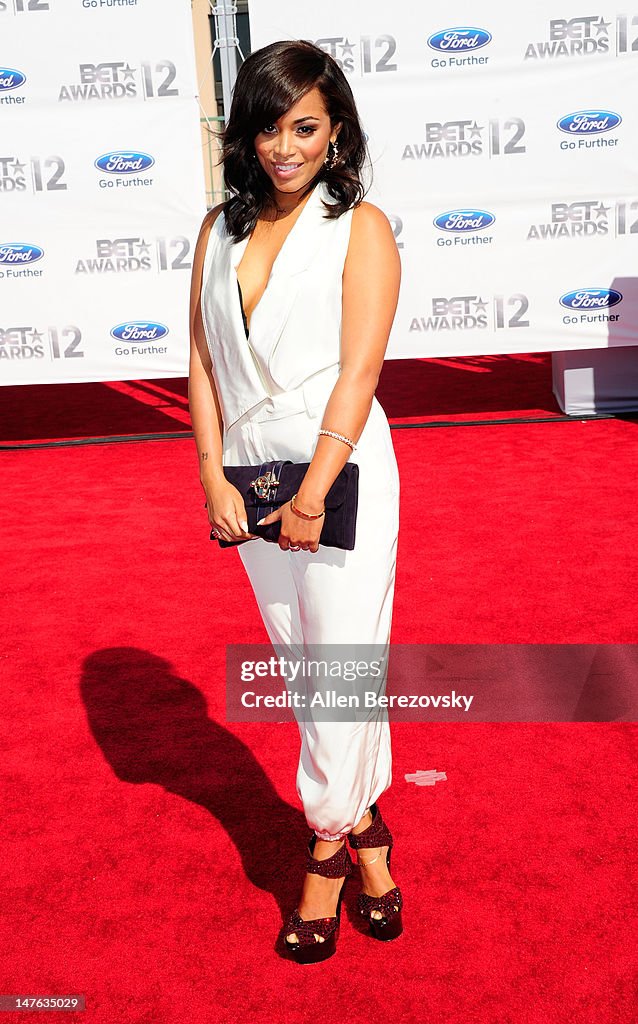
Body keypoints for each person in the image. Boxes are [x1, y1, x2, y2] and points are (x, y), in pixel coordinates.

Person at [188, 39, 403, 963]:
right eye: (269, 126)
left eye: (304, 127)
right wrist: (209, 472)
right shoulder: (217, 230)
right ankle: (376, 844)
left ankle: (323, 853)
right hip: (249, 476)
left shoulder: (363, 226)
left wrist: (315, 490)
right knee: (304, 661)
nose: (284, 146)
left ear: (337, 132)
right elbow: (201, 362)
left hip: (339, 468)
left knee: (341, 667)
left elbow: (359, 371)